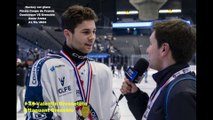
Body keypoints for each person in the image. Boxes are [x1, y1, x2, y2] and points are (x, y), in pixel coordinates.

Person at [24, 5, 120, 120]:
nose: (92, 37)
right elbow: (37, 114)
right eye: (86, 32)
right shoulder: (45, 67)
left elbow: (113, 113)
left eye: (94, 32)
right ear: (67, 34)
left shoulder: (103, 71)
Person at [120, 19, 196, 120]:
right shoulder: (171, 83)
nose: (147, 50)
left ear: (164, 49)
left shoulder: (181, 95)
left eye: (151, 44)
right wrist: (135, 96)